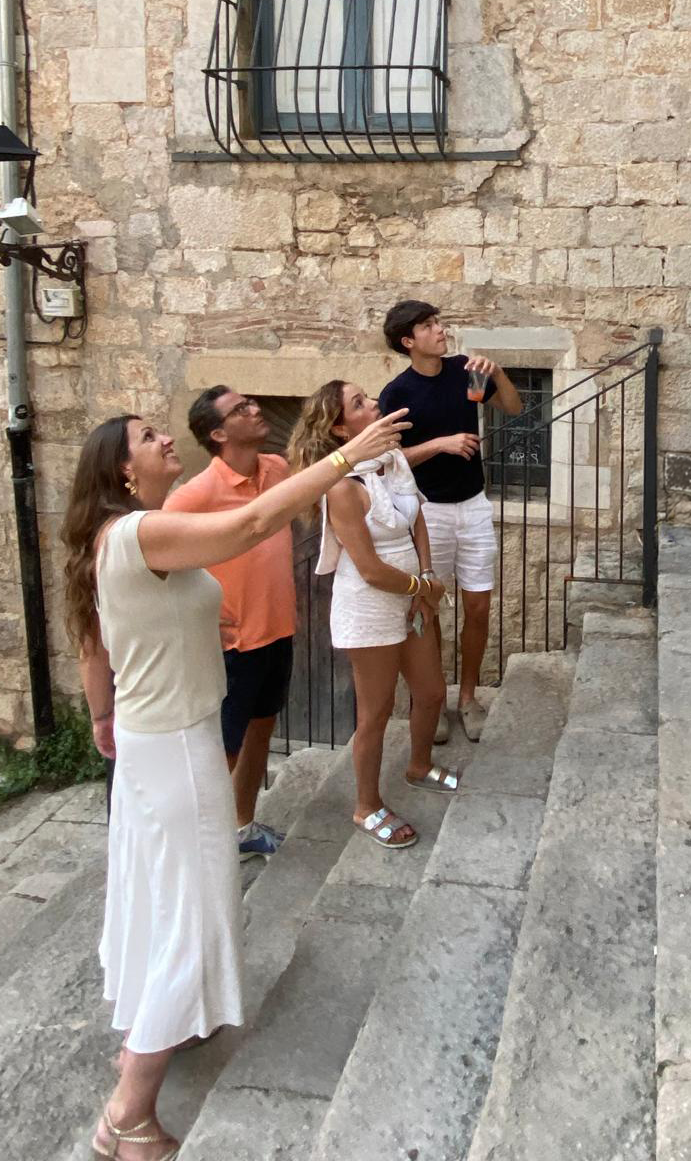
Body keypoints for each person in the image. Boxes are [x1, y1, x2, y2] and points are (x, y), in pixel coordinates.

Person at [62, 406, 408, 1160]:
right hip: (179, 749)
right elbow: (252, 526)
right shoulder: (141, 533)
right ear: (124, 471)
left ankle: (147, 1038)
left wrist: (190, 636)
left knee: (159, 901)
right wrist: (346, 454)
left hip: (157, 743)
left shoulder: (123, 538)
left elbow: (114, 632)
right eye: (149, 439)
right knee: (191, 912)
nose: (164, 442)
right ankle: (128, 1114)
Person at [288, 381, 454, 851]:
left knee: (430, 690)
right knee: (376, 711)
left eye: (368, 397)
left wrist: (426, 573)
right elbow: (368, 569)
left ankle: (418, 765)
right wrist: (422, 589)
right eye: (359, 403)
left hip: (413, 590)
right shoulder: (340, 488)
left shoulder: (394, 458)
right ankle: (366, 805)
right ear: (340, 428)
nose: (374, 403)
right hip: (369, 604)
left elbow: (417, 515)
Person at [377, 301, 523, 742]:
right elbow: (387, 457)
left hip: (474, 504)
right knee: (428, 608)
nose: (440, 330)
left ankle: (469, 698)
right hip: (428, 512)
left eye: (437, 323)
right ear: (409, 341)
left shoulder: (465, 370)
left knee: (478, 607)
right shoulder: (397, 393)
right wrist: (439, 444)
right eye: (429, 326)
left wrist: (497, 374)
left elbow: (513, 408)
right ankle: (432, 699)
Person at [163, 386, 295, 860]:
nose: (257, 408)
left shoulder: (278, 469)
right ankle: (203, 846)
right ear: (218, 433)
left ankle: (242, 827)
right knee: (223, 748)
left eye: (253, 403)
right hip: (230, 644)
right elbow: (159, 564)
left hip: (278, 629)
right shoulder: (193, 496)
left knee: (262, 729)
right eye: (242, 409)